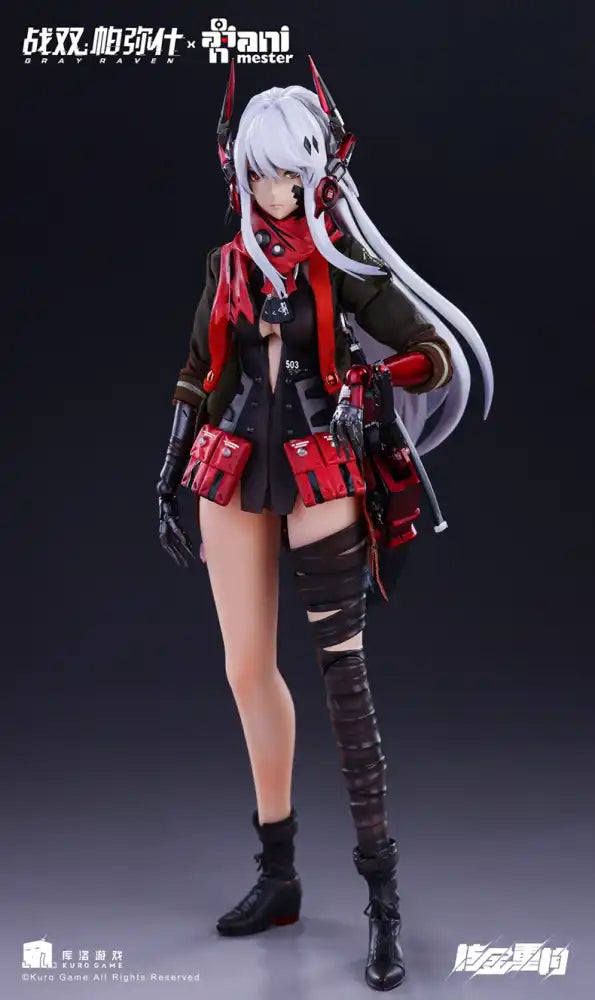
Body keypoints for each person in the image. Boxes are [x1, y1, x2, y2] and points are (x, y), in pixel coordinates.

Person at [156, 58, 493, 991]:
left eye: (292, 175)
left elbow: (428, 350)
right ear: (239, 173)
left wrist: (369, 383)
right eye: (262, 174)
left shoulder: (339, 264)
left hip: (319, 469)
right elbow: (199, 370)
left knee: (343, 676)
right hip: (230, 465)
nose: (277, 192)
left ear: (319, 173)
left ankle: (382, 899)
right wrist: (167, 471)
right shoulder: (228, 264)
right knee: (244, 668)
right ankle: (279, 877)